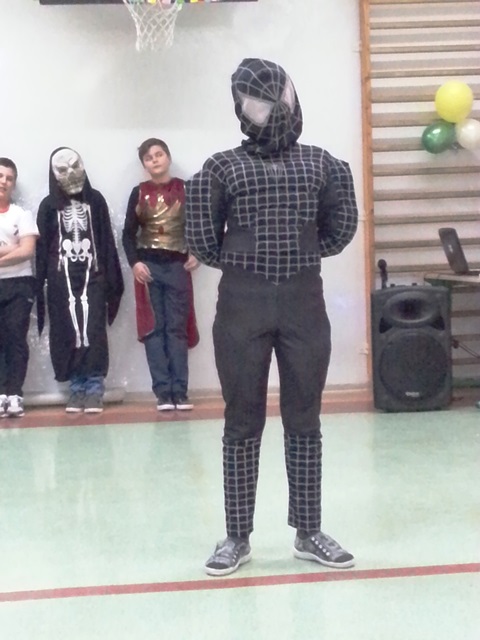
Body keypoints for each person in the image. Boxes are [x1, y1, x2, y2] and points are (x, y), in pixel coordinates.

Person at [186, 58, 359, 576]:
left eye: (274, 98)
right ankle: (236, 537)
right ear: (240, 110)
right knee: (241, 421)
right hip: (242, 306)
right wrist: (254, 262)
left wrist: (295, 256)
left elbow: (341, 227)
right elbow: (202, 239)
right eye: (254, 104)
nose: (268, 111)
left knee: (305, 418)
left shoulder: (323, 165)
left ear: (292, 96)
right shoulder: (220, 169)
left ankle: (309, 531)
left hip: (304, 304)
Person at [36, 147, 124, 414]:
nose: (71, 173)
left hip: (93, 274)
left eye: (75, 166)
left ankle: (94, 387)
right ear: (54, 175)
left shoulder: (96, 201)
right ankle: (76, 388)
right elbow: (42, 249)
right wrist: (39, 285)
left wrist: (111, 279)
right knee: (67, 329)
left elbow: (106, 240)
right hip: (60, 277)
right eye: (63, 169)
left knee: (93, 329)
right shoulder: (48, 206)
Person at [122, 138, 199, 412]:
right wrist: (135, 263)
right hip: (149, 268)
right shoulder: (138, 192)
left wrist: (197, 253)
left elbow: (199, 225)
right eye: (148, 157)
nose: (154, 160)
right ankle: (163, 393)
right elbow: (128, 234)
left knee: (176, 329)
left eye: (159, 154)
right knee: (154, 329)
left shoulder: (186, 189)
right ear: (144, 164)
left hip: (178, 266)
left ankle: (180, 392)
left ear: (168, 157)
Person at [0, 158, 39, 418]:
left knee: (15, 338)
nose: (3, 181)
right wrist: (11, 248)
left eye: (9, 178)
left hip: (19, 284)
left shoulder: (22, 215)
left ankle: (14, 394)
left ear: (13, 184)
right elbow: (18, 248)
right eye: (0, 176)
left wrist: (17, 249)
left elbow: (27, 251)